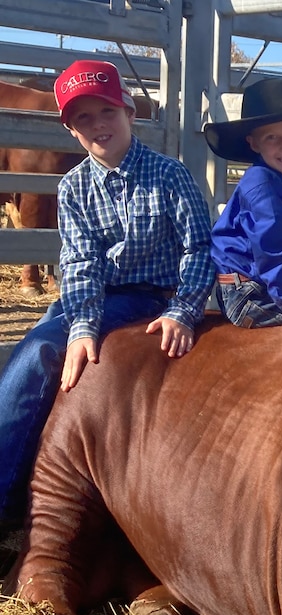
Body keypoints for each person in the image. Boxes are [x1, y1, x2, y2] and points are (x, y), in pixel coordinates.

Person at [0, 59, 214, 534]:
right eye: (83, 119)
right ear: (71, 131)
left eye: (106, 112)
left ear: (129, 111)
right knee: (37, 348)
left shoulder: (170, 175)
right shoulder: (73, 187)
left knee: (39, 352)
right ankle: (20, 486)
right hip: (95, 294)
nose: (98, 125)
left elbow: (198, 248)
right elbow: (79, 264)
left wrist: (182, 308)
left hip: (150, 296)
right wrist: (81, 324)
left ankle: (2, 501)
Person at [205, 78, 282, 328]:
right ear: (254, 143)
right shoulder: (263, 186)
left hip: (264, 282)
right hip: (246, 291)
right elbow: (275, 252)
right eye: (272, 138)